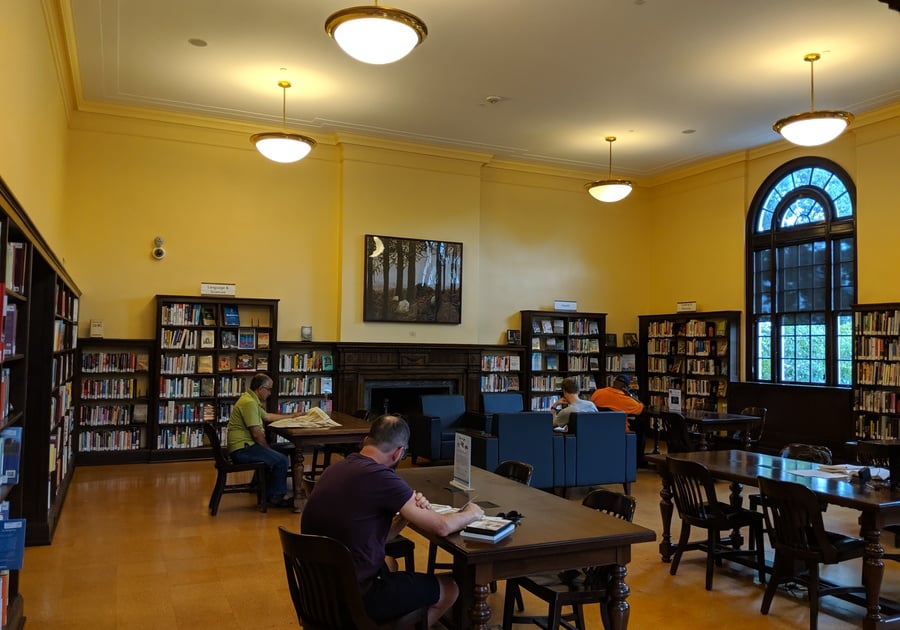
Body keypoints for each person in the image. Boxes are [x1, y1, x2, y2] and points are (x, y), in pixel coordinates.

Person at [301, 414, 484, 627]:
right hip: (356, 598)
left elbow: (370, 537)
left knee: (390, 562)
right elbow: (442, 527)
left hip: (319, 591)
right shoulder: (382, 477)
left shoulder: (335, 469)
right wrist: (472, 512)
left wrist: (404, 517)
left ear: (366, 441)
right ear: (399, 452)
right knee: (450, 587)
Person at [226, 373, 303, 508]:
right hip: (243, 449)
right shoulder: (249, 403)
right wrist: (267, 449)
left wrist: (292, 416)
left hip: (245, 446)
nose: (270, 393)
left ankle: (266, 488)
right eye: (269, 389)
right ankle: (276, 497)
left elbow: (267, 417)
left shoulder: (250, 398)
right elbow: (256, 434)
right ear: (260, 388)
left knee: (286, 448)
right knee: (281, 460)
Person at [590, 374, 650, 465]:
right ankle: (638, 459)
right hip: (620, 429)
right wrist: (629, 395)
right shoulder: (626, 399)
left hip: (599, 428)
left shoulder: (598, 393)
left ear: (613, 383)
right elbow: (641, 408)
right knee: (640, 426)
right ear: (625, 387)